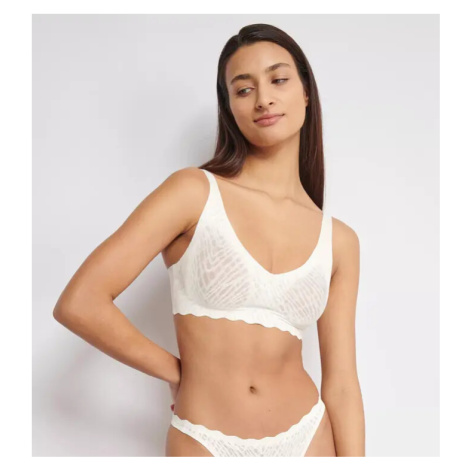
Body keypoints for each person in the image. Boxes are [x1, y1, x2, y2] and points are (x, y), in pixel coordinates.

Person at [53, 23, 365, 457]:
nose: (263, 99)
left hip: (309, 438)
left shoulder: (339, 241)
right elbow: (80, 302)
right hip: (205, 440)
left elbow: (342, 384)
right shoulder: (193, 193)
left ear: (306, 92)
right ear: (230, 107)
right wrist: (175, 371)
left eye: (278, 80)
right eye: (243, 89)